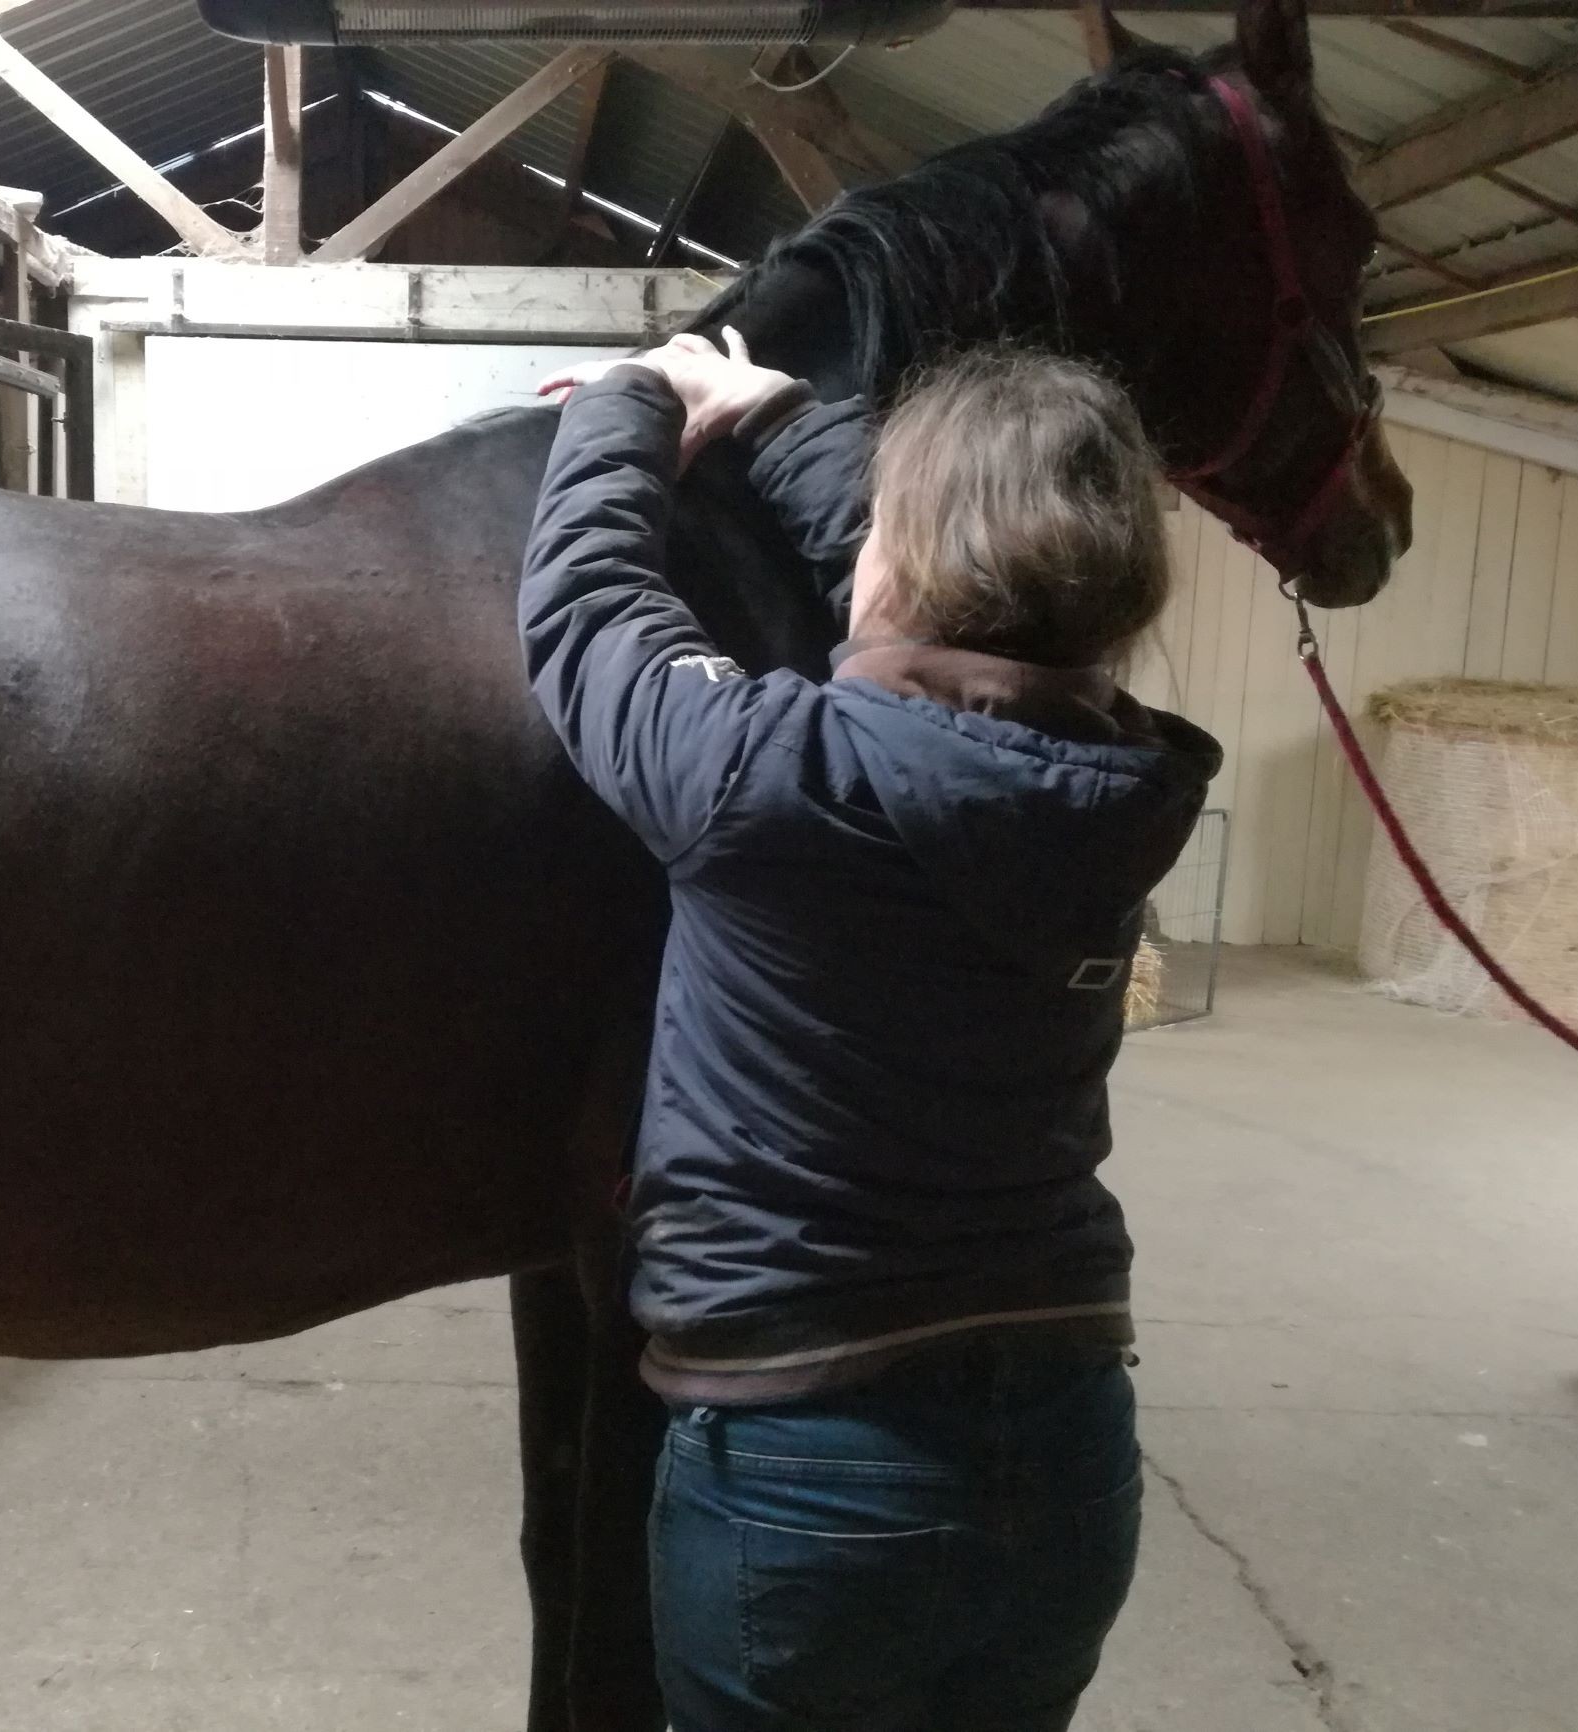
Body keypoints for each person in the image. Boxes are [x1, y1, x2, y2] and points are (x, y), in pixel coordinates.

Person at [519, 332, 1223, 1732]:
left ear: (891, 564)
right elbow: (983, 611)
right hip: (1072, 1447)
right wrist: (777, 414)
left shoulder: (760, 777)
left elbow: (587, 605)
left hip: (807, 1463)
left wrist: (626, 404)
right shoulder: (1132, 777)